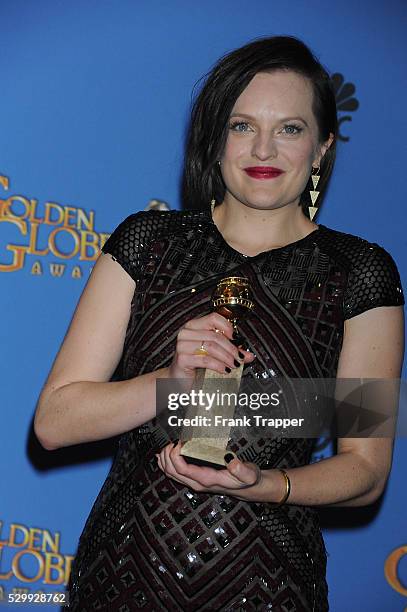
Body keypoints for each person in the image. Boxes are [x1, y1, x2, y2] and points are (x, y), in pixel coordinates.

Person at [34, 35, 405, 611]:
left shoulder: (361, 274)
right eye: (241, 125)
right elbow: (56, 422)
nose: (263, 148)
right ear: (215, 138)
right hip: (125, 575)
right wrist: (169, 384)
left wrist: (265, 485)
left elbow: (366, 469)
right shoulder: (147, 243)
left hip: (270, 585)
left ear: (323, 146)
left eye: (289, 128)